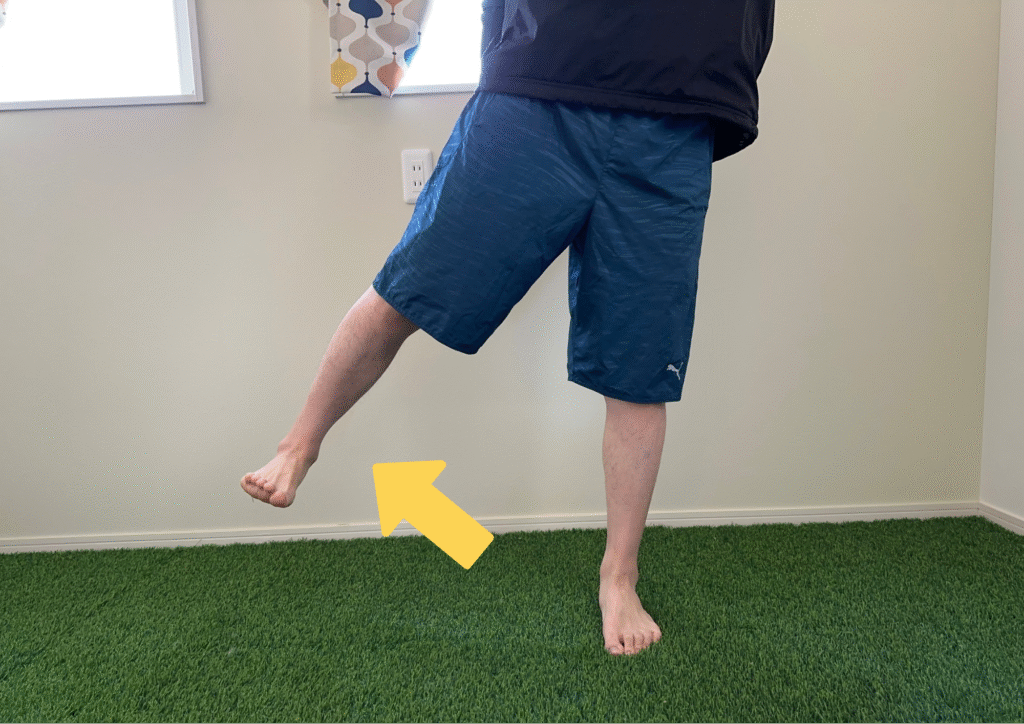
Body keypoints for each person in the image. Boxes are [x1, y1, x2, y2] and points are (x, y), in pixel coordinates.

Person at [243, 0, 775, 656]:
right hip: (541, 82)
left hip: (679, 111)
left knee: (642, 366)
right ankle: (298, 445)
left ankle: (620, 577)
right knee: (409, 286)